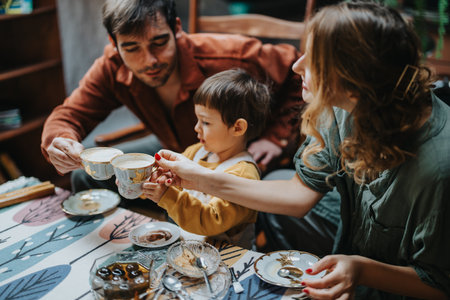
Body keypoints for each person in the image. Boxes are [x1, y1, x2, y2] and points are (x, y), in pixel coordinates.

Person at [151, 1, 450, 299]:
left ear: (355, 81)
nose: (297, 66)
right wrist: (196, 177)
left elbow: (439, 283)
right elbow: (299, 195)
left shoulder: (438, 169)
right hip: (355, 237)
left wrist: (361, 269)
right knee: (273, 182)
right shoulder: (344, 107)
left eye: (316, 61)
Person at [40, 0, 303, 200]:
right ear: (114, 43)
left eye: (159, 42)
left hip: (236, 159)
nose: (150, 60)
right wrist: (60, 142)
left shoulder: (227, 57)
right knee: (84, 178)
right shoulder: (111, 67)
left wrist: (276, 136)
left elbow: (297, 68)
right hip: (176, 153)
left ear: (177, 28)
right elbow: (69, 114)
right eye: (132, 48)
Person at [142, 69, 270, 249]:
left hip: (227, 263)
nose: (196, 128)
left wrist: (166, 195)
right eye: (197, 119)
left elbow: (210, 221)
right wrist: (146, 182)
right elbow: (169, 186)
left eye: (206, 122)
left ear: (238, 128)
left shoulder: (243, 174)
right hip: (187, 251)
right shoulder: (196, 152)